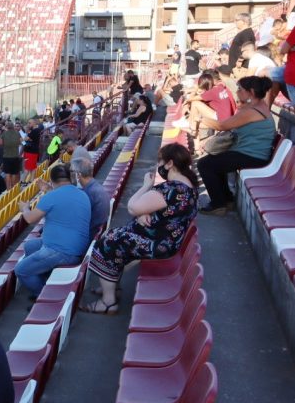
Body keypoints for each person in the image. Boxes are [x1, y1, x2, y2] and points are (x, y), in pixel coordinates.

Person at [85, 144, 199, 314]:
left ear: (170, 163)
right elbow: (165, 211)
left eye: (159, 161)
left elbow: (132, 207)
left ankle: (108, 302)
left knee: (108, 242)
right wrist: (143, 214)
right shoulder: (188, 186)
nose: (157, 166)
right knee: (114, 235)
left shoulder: (171, 189)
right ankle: (111, 285)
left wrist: (146, 185)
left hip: (159, 245)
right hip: (167, 239)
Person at [196, 75, 276, 214]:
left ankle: (218, 204)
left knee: (204, 164)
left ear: (250, 91)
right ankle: (226, 200)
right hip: (251, 153)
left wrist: (201, 119)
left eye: (240, 89)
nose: (237, 92)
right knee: (215, 161)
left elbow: (222, 125)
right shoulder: (257, 106)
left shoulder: (252, 111)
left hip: (253, 157)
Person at [15, 164, 91, 299]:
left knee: (21, 270)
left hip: (62, 251)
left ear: (52, 180)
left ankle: (42, 295)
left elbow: (30, 219)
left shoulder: (52, 197)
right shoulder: (82, 193)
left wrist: (25, 208)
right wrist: (48, 190)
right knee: (29, 246)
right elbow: (61, 201)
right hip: (74, 246)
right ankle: (42, 272)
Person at [70, 156, 111, 238]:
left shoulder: (88, 194)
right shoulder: (96, 187)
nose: (69, 175)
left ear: (78, 175)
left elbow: (75, 220)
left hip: (84, 238)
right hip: (92, 233)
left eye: (71, 172)